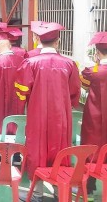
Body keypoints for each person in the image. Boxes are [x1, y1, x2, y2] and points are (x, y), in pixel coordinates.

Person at [16, 22, 81, 202]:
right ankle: (59, 192)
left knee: (36, 151)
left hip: (38, 117)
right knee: (60, 150)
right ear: (58, 42)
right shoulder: (69, 64)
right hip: (62, 118)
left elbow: (21, 91)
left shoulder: (30, 63)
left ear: (37, 40)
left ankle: (36, 193)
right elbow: (74, 92)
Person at [79, 32, 107, 201]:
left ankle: (88, 189)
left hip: (94, 116)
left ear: (97, 52)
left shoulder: (92, 71)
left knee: (91, 148)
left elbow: (84, 84)